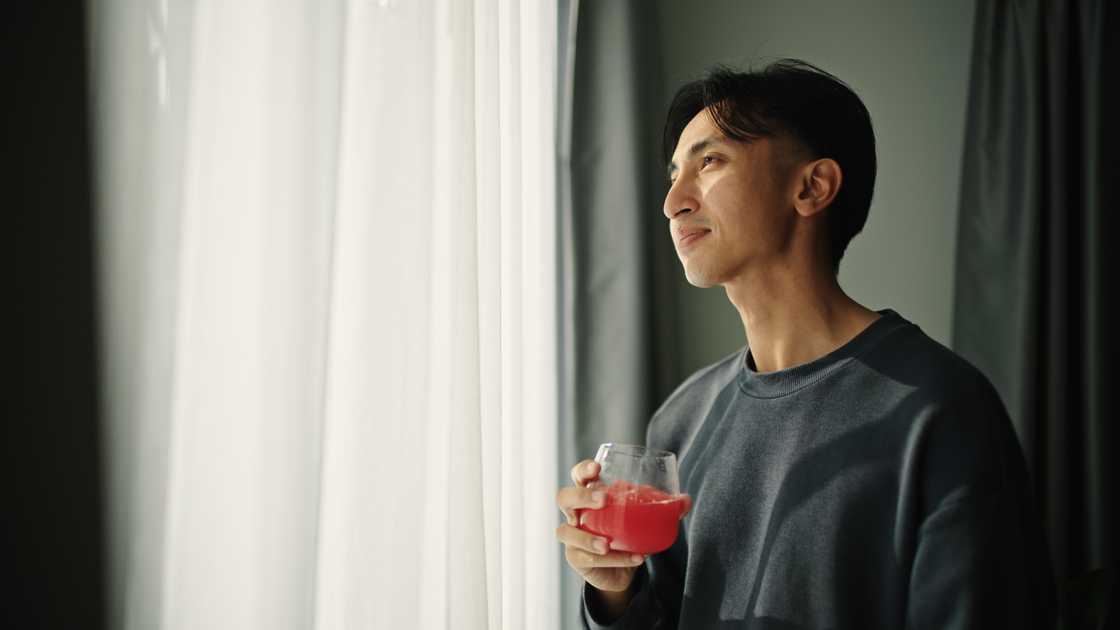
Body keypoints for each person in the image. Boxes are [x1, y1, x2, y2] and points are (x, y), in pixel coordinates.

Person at [554, 59, 1057, 629]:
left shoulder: (940, 411)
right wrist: (616, 591)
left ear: (812, 187)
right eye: (673, 175)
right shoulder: (682, 421)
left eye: (710, 161)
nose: (674, 203)